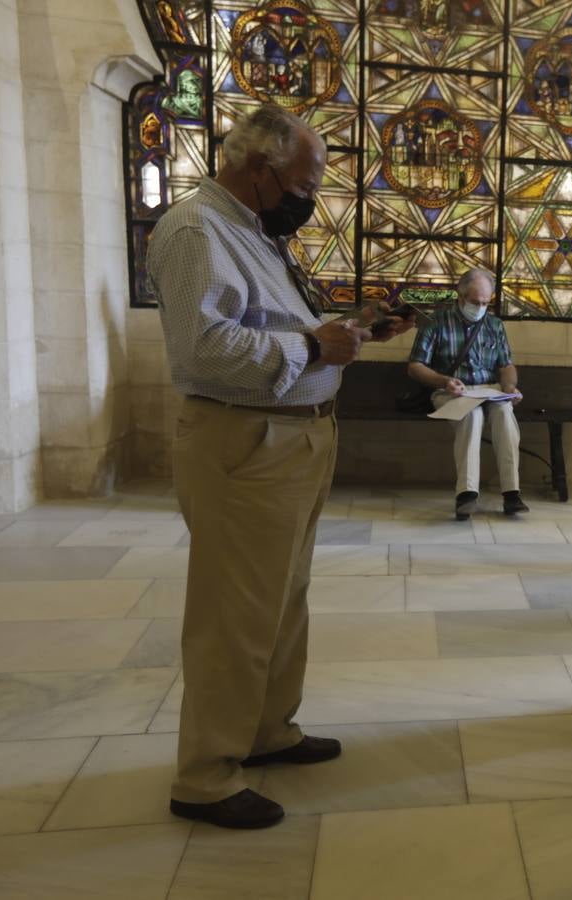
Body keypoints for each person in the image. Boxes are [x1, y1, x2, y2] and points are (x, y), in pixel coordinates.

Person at [150, 104, 415, 829]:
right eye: (302, 185)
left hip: (291, 438)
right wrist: (312, 350)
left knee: (281, 603)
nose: (308, 200)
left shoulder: (252, 232)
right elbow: (201, 350)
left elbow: (274, 327)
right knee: (234, 614)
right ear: (256, 166)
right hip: (245, 442)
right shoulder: (196, 230)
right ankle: (204, 776)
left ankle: (266, 732)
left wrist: (355, 325)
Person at [406, 268, 527, 520]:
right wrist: (445, 380)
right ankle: (467, 495)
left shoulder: (494, 325)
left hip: (488, 390)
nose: (481, 307)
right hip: (450, 390)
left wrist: (509, 387)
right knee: (472, 416)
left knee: (504, 411)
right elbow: (415, 366)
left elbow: (506, 365)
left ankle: (512, 493)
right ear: (460, 297)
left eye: (485, 303)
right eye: (475, 302)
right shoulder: (436, 321)